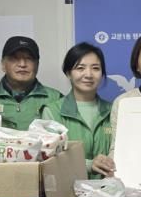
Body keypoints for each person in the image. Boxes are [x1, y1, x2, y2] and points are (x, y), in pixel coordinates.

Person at [47, 43, 114, 179]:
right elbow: (49, 158)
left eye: (95, 68)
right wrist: (89, 165)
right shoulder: (53, 112)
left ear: (102, 74)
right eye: (80, 68)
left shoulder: (113, 110)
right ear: (68, 73)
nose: (88, 74)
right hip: (68, 190)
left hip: (109, 190)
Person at [0, 36, 62, 130]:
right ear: (3, 65)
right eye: (15, 58)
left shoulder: (56, 99)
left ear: (37, 65)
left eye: (29, 58)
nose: (22, 64)